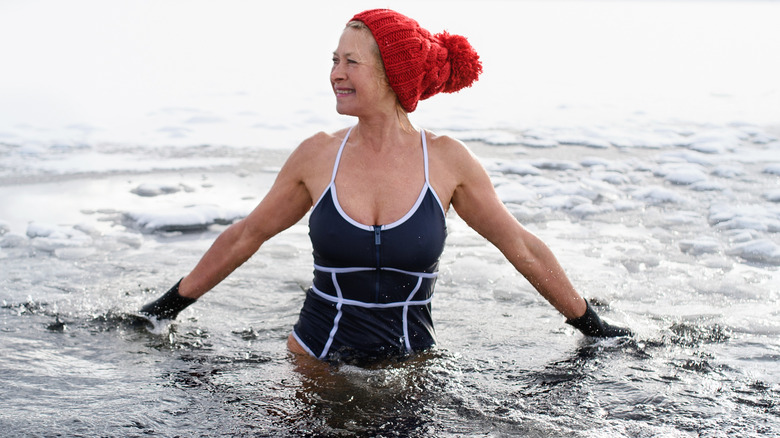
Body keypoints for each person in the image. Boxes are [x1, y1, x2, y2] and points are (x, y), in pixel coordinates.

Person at [140, 8, 630, 363]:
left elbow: (519, 245)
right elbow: (247, 235)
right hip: (315, 358)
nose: (335, 74)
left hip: (410, 365)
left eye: (351, 62)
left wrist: (592, 327)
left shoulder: (446, 161)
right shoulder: (317, 156)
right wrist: (164, 309)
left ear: (392, 73)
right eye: (333, 60)